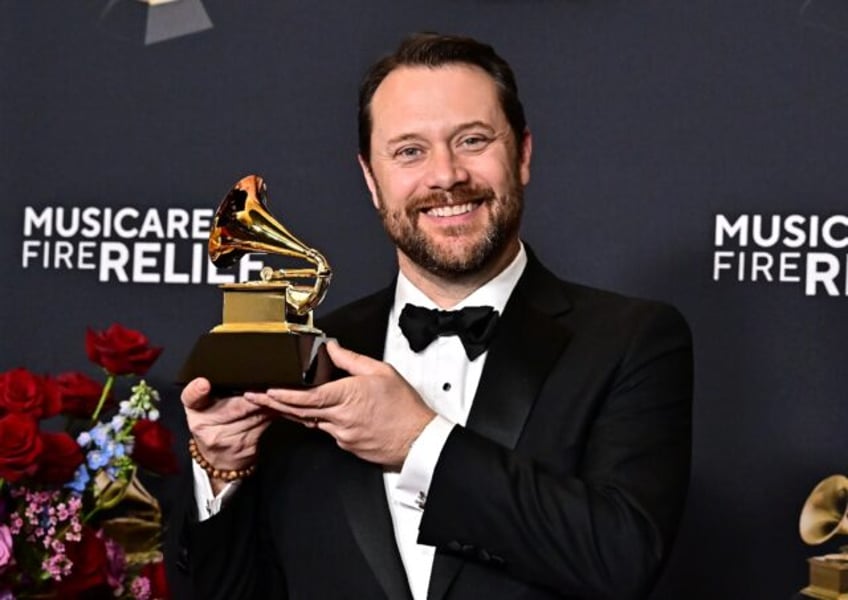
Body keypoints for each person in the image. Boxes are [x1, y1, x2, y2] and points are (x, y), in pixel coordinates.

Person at [167, 32, 693, 600]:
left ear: (522, 155)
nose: (445, 175)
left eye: (471, 140)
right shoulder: (311, 353)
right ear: (372, 179)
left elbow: (622, 558)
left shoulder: (629, 339)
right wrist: (223, 472)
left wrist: (418, 443)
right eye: (409, 150)